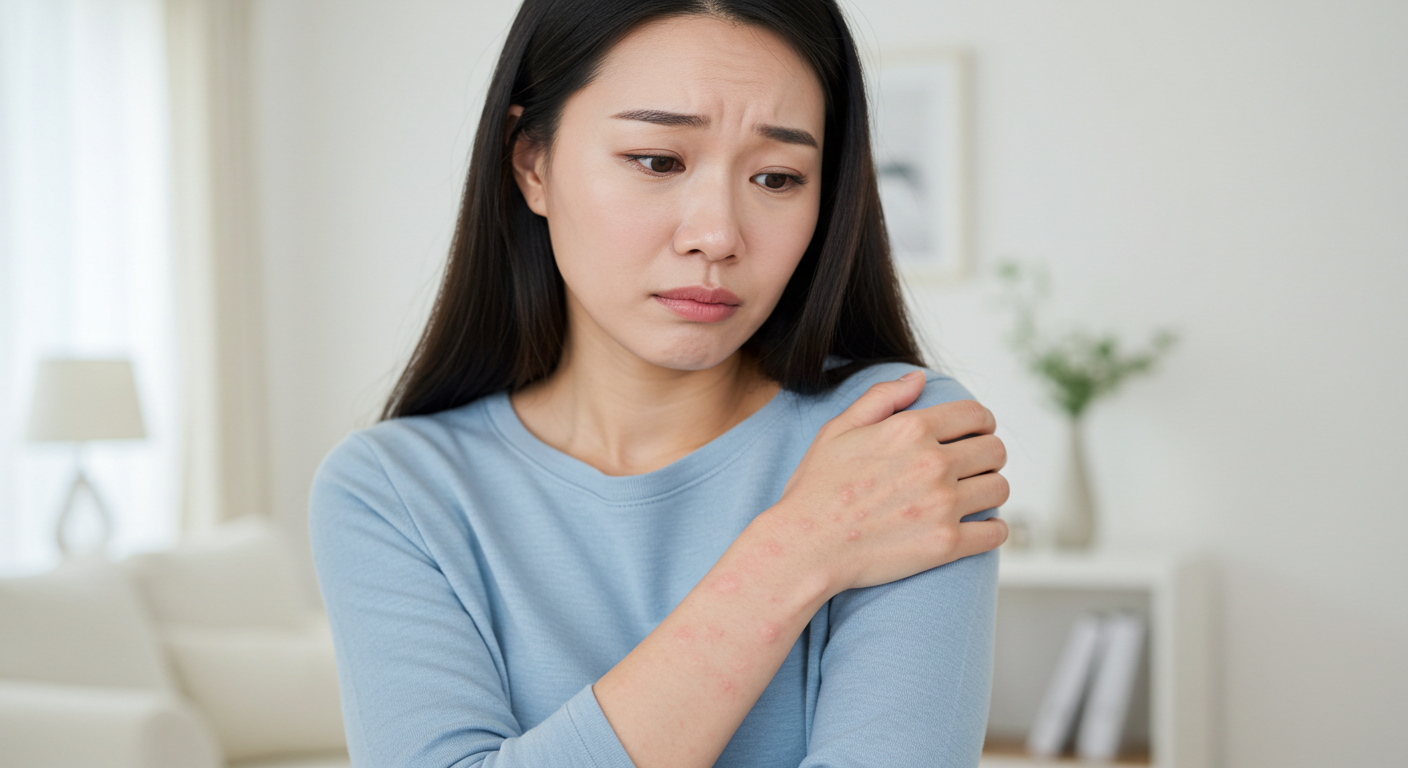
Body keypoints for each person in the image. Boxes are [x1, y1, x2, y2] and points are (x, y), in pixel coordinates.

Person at [308, 1, 1011, 766]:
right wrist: (796, 550)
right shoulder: (393, 491)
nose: (716, 234)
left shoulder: (897, 435)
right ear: (531, 162)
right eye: (657, 161)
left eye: (777, 176)